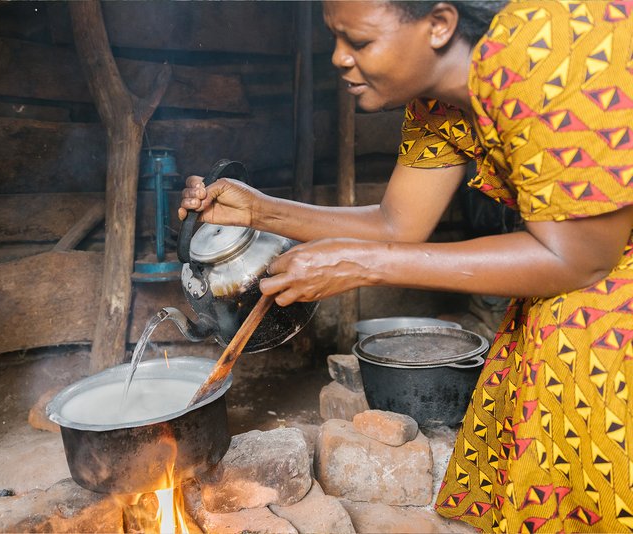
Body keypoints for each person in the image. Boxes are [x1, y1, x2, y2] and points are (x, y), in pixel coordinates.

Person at [178, 1, 633, 531]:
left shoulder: (553, 48)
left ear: (438, 25)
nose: (339, 59)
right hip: (577, 285)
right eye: (335, 39)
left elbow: (577, 259)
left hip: (603, 301)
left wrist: (363, 264)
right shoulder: (438, 100)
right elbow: (398, 224)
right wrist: (260, 209)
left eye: (359, 42)